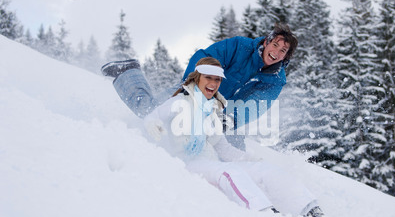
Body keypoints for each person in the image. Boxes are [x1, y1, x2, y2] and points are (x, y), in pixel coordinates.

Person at [141, 56, 324, 217]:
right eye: (209, 78)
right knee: (229, 172)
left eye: (218, 79)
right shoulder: (179, 102)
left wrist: (249, 159)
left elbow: (222, 147)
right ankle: (263, 212)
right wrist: (153, 125)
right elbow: (153, 117)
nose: (213, 83)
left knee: (264, 169)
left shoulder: (212, 110)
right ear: (197, 79)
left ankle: (308, 207)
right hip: (186, 163)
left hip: (209, 161)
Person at [101, 23, 298, 148]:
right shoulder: (240, 46)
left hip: (221, 112)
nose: (276, 52)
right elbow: (206, 57)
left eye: (283, 51)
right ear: (267, 41)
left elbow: (257, 104)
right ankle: (127, 72)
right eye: (275, 45)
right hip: (194, 92)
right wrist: (192, 87)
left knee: (232, 149)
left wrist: (230, 120)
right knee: (150, 111)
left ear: (286, 57)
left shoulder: (275, 79)